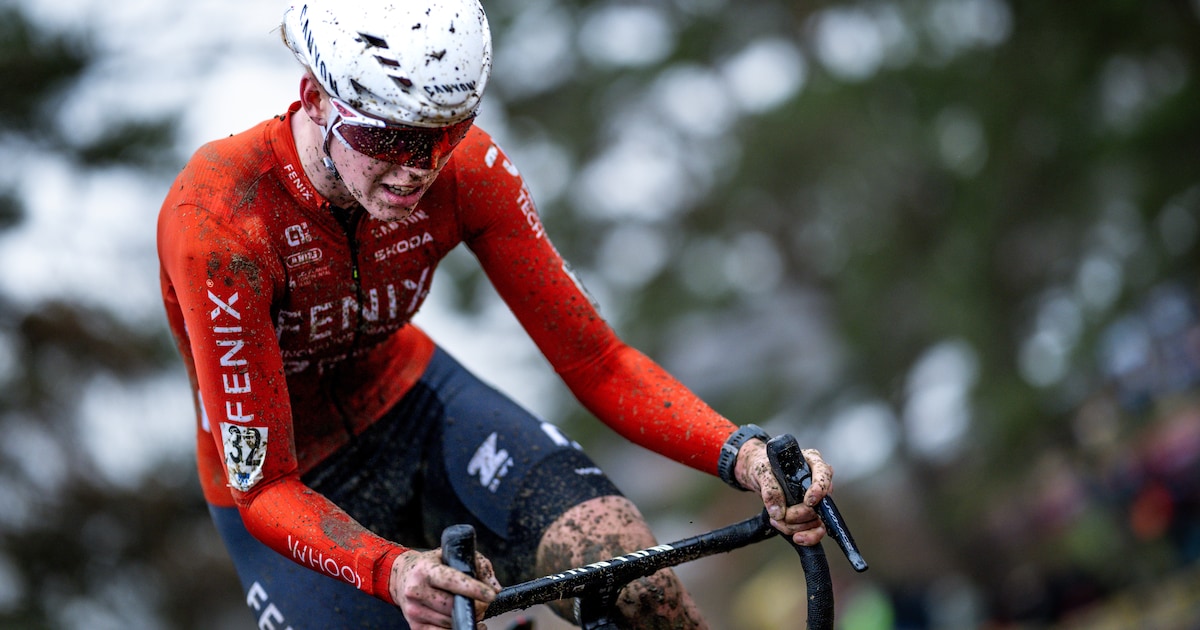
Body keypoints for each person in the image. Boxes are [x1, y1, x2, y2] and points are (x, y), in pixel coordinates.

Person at [156, 0, 834, 627]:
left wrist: (744, 456)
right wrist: (392, 570)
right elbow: (266, 483)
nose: (419, 170)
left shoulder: (466, 172)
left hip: (415, 407)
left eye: (445, 132)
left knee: (636, 584)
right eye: (392, 139)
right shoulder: (222, 223)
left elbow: (597, 361)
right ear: (315, 99)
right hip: (292, 483)